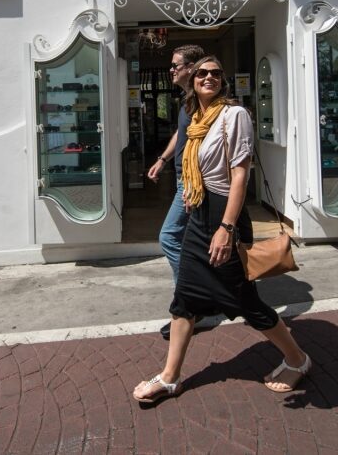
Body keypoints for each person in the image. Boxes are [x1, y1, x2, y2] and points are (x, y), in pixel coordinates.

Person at [133, 56, 311, 402]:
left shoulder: (234, 115)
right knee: (184, 297)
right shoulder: (196, 117)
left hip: (225, 215)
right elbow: (196, 164)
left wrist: (226, 228)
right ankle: (170, 378)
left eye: (215, 73)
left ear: (223, 80)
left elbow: (240, 175)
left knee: (246, 301)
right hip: (199, 213)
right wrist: (192, 193)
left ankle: (298, 359)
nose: (209, 77)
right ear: (193, 79)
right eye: (202, 73)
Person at [147, 44, 205, 340]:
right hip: (185, 178)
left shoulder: (203, 100)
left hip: (192, 182)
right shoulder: (188, 101)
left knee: (169, 237)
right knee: (193, 242)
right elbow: (180, 134)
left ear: (191, 68)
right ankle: (196, 299)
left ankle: (191, 303)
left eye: (175, 65)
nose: (171, 70)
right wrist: (162, 159)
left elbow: (209, 145)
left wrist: (195, 183)